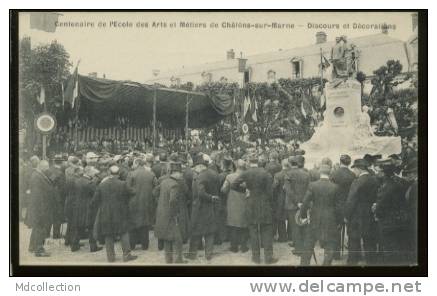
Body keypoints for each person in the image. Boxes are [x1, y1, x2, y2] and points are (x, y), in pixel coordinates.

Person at [231, 154, 278, 264]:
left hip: (251, 203)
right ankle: (268, 257)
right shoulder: (265, 173)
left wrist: (246, 190)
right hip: (264, 204)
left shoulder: (246, 173)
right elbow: (270, 192)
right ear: (259, 162)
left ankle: (256, 257)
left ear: (249, 162)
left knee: (253, 230)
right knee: (266, 230)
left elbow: (233, 185)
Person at [92, 165, 137, 262]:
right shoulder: (123, 184)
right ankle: (126, 255)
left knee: (108, 234)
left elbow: (95, 200)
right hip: (121, 212)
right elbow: (133, 192)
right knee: (124, 232)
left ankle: (110, 257)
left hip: (106, 213)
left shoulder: (102, 185)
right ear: (119, 174)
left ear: (109, 173)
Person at [299, 163, 341, 266]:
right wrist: (339, 221)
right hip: (330, 219)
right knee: (330, 245)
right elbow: (339, 207)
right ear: (330, 173)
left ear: (319, 172)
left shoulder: (313, 185)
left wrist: (303, 217)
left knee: (308, 244)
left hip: (315, 218)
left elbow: (305, 203)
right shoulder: (335, 187)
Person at [373, 159, 410, 265]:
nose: (378, 173)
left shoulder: (386, 186)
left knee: (388, 247)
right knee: (396, 246)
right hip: (398, 219)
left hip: (387, 221)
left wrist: (375, 208)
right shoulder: (398, 183)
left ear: (384, 173)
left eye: (379, 171)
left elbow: (381, 204)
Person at [186, 153, 221, 262]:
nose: (195, 170)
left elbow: (201, 193)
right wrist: (213, 198)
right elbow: (218, 187)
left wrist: (210, 197)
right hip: (211, 207)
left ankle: (192, 254)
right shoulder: (214, 174)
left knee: (195, 230)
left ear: (200, 166)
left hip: (200, 207)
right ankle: (208, 254)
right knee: (209, 231)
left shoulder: (200, 176)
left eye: (195, 167)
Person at [344, 158, 379, 265]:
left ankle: (352, 263)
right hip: (369, 214)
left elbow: (351, 200)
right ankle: (371, 263)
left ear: (359, 169)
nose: (354, 171)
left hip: (356, 216)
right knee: (369, 241)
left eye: (354, 169)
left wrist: (346, 215)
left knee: (354, 240)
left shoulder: (357, 182)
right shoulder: (375, 180)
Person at [155, 161, 190, 263]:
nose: (182, 175)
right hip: (172, 216)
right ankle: (178, 260)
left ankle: (168, 259)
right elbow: (173, 201)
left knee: (167, 238)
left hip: (162, 214)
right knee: (178, 239)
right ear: (176, 173)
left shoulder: (164, 181)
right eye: (180, 173)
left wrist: (162, 203)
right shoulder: (175, 185)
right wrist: (174, 214)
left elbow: (154, 192)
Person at [25, 160, 56, 257]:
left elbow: (52, 182)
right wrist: (42, 210)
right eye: (46, 167)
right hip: (40, 208)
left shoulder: (40, 175)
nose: (48, 169)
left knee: (36, 228)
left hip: (40, 208)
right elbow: (38, 196)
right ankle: (39, 250)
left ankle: (32, 247)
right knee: (40, 229)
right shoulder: (37, 177)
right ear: (41, 166)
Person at [126, 156, 157, 250]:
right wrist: (150, 195)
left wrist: (134, 192)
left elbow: (127, 188)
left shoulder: (131, 174)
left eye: (134, 163)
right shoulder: (151, 174)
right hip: (147, 202)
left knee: (133, 223)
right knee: (145, 223)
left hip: (134, 202)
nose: (133, 165)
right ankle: (145, 245)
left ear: (137, 163)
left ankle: (132, 244)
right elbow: (156, 187)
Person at [70, 165, 102, 252]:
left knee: (79, 227)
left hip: (78, 206)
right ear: (88, 172)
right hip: (88, 207)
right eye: (93, 172)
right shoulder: (89, 183)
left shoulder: (77, 181)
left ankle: (74, 245)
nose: (94, 174)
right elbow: (96, 194)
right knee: (90, 226)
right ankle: (93, 246)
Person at [330, 154, 356, 259]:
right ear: (349, 163)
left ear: (340, 162)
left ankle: (336, 254)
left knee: (336, 230)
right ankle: (352, 254)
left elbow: (331, 190)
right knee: (351, 230)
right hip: (350, 205)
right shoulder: (353, 174)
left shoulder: (334, 174)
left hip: (337, 205)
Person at [283, 156, 310, 255]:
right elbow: (309, 190)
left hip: (292, 205)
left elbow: (289, 191)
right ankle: (302, 246)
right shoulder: (306, 174)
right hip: (304, 204)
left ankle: (299, 249)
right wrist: (303, 202)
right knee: (303, 225)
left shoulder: (288, 174)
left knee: (295, 228)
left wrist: (296, 202)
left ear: (291, 164)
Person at [221, 159, 249, 253]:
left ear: (236, 166)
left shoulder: (229, 177)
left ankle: (234, 247)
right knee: (244, 224)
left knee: (233, 224)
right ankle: (244, 247)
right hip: (245, 202)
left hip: (232, 203)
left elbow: (223, 190)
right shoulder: (248, 176)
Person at [47, 155, 66, 239]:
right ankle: (56, 234)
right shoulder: (61, 173)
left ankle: (46, 233)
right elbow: (63, 187)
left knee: (49, 214)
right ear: (61, 162)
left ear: (54, 161)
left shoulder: (49, 170)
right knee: (57, 215)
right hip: (58, 197)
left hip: (49, 196)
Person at [272, 159, 289, 242]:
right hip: (291, 199)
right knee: (291, 218)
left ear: (282, 165)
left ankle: (283, 237)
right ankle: (291, 236)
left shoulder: (277, 175)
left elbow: (274, 187)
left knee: (281, 218)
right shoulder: (291, 174)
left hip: (280, 198)